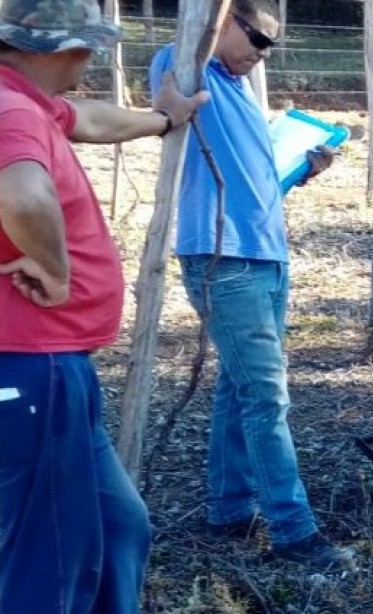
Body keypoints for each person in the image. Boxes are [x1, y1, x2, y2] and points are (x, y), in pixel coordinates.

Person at [0, 0, 208, 610]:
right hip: (33, 364)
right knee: (49, 560)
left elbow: (86, 120)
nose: (90, 58)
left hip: (53, 367)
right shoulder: (12, 111)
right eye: (86, 45)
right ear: (53, 49)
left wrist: (161, 120)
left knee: (119, 527)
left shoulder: (25, 102)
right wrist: (58, 273)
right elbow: (22, 192)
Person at [148, 0, 345, 567]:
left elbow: (253, 181)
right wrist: (172, 97)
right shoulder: (187, 64)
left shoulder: (240, 92)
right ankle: (294, 532)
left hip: (264, 256)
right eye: (255, 38)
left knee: (240, 389)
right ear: (222, 20)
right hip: (222, 256)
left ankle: (229, 509)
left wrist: (302, 170)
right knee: (266, 395)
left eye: (271, 46)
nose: (261, 53)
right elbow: (167, 84)